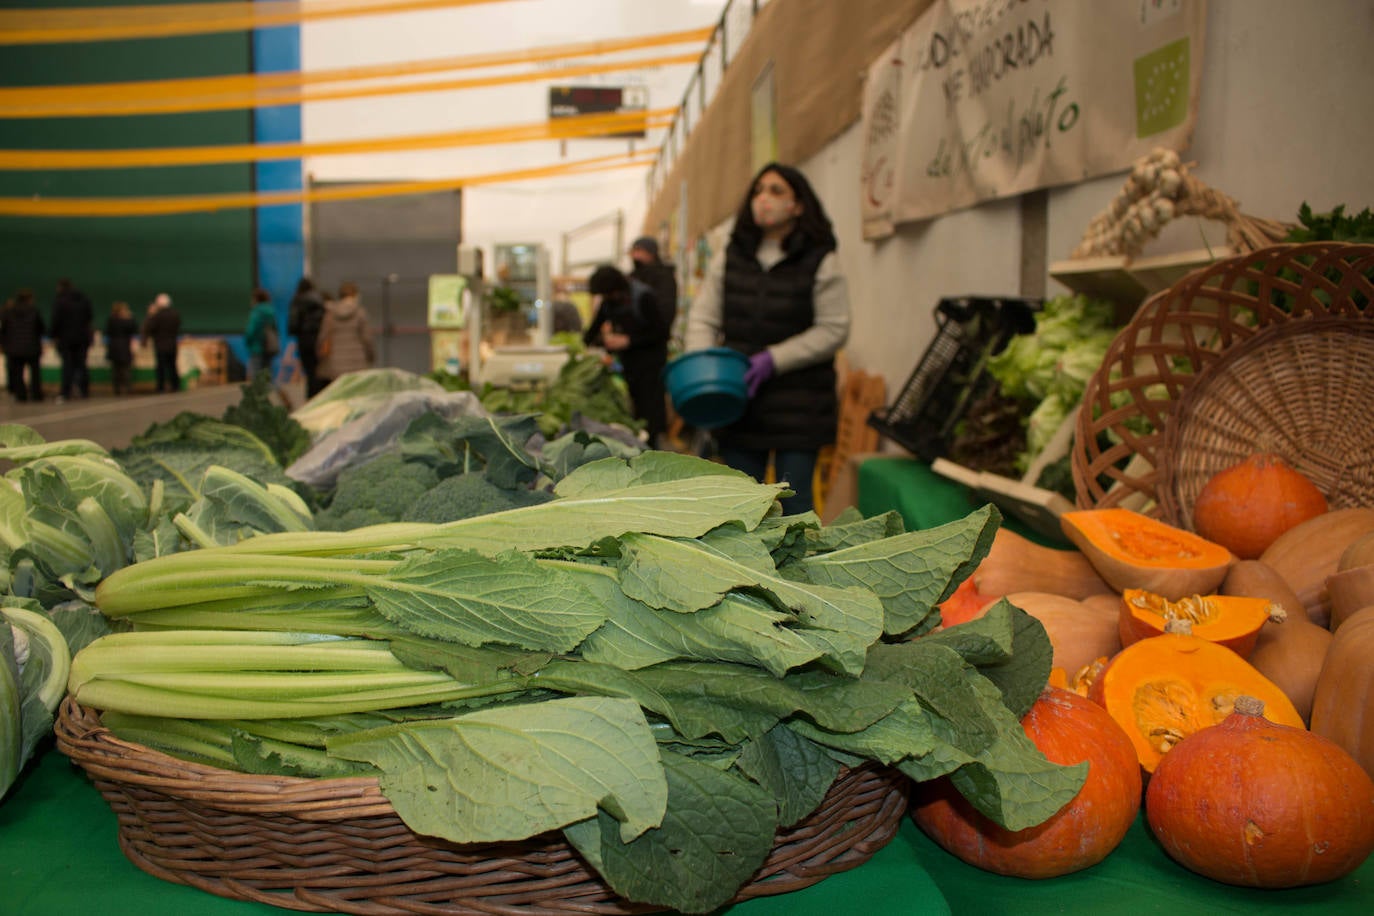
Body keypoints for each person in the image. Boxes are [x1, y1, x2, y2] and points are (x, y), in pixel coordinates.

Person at [683, 162, 851, 515]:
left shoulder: (820, 259)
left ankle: (799, 572)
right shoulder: (731, 258)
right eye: (758, 191)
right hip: (740, 399)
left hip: (801, 403)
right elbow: (703, 316)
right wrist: (701, 366)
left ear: (799, 205)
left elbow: (834, 328)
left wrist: (775, 359)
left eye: (776, 191)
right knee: (741, 504)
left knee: (794, 505)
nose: (764, 199)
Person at [583, 264, 669, 448]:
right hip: (630, 363)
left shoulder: (643, 297)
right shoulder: (609, 302)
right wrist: (582, 349)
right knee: (635, 408)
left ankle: (653, 450)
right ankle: (639, 447)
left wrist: (628, 341)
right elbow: (593, 329)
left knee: (650, 410)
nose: (606, 298)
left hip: (651, 363)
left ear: (616, 288)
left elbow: (661, 332)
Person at [316, 280, 375, 386]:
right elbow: (367, 339)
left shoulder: (330, 313)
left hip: (334, 363)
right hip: (358, 362)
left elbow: (322, 337)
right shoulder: (360, 313)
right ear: (355, 295)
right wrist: (371, 356)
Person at [50, 277, 94, 401]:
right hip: (82, 337)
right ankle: (84, 391)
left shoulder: (60, 301)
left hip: (66, 338)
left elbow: (56, 321)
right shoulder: (84, 299)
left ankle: (66, 392)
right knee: (82, 364)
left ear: (60, 287)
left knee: (67, 365)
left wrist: (53, 336)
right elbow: (89, 317)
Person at [1, 288, 46, 402]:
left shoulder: (8, 312)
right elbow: (41, 328)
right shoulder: (34, 311)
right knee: (35, 373)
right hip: (32, 346)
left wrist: (4, 344)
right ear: (29, 299)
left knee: (17, 373)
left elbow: (3, 330)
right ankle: (36, 394)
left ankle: (21, 394)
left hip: (14, 348)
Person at [628, 235, 678, 336]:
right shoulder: (633, 276)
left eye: (639, 251)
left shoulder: (663, 276)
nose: (635, 255)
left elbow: (666, 310)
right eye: (633, 251)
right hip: (632, 339)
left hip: (654, 339)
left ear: (651, 253)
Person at [287, 276, 327, 397]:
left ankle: (311, 398)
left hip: (304, 340)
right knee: (320, 370)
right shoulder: (320, 300)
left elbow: (293, 323)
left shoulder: (297, 300)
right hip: (319, 340)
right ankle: (321, 396)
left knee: (309, 372)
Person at [142, 292, 182, 393]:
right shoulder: (175, 314)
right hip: (172, 344)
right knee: (172, 365)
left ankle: (161, 387)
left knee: (161, 367)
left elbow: (149, 328)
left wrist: (150, 315)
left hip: (160, 345)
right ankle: (175, 386)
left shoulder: (157, 316)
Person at [103, 301, 138, 395]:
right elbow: (133, 329)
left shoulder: (111, 320)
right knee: (125, 369)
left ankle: (117, 389)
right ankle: (127, 388)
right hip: (124, 347)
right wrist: (130, 318)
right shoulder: (126, 321)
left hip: (114, 346)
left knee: (116, 369)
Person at [244, 287, 277, 380]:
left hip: (257, 347)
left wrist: (248, 342)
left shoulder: (256, 312)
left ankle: (260, 394)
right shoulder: (271, 311)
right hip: (269, 347)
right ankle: (269, 392)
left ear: (256, 299)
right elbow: (275, 329)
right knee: (266, 376)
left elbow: (251, 330)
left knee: (256, 376)